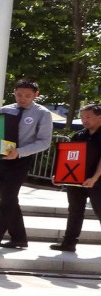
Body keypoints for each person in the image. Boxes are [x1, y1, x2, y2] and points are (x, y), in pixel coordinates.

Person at [0, 79, 53, 252]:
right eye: (19, 94)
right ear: (14, 92)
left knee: (7, 201)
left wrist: (19, 151)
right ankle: (19, 238)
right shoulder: (6, 109)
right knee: (9, 200)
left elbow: (44, 142)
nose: (23, 99)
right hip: (1, 161)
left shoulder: (42, 113)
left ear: (36, 95)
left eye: (28, 95)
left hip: (21, 160)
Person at [52, 103, 101, 252]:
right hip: (76, 179)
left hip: (98, 181)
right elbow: (68, 157)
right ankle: (68, 242)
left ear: (99, 117)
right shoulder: (79, 135)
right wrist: (60, 176)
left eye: (88, 117)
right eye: (82, 117)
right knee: (74, 211)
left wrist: (94, 178)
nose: (84, 120)